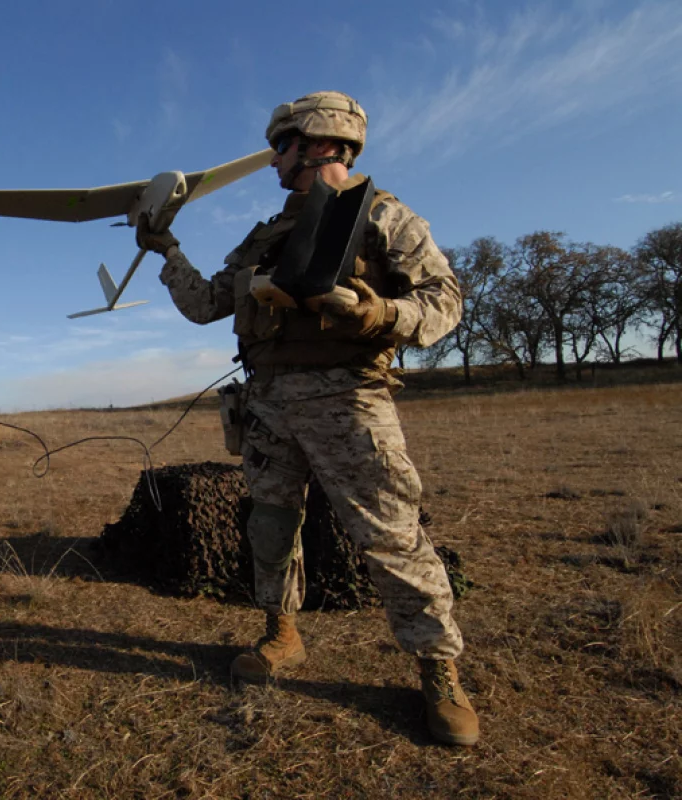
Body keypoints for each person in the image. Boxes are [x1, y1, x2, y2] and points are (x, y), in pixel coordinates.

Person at [136, 91, 479, 747]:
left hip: (349, 399)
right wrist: (165, 251)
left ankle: (439, 672)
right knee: (269, 523)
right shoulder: (266, 234)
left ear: (320, 143)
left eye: (281, 147)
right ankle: (281, 634)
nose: (273, 162)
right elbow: (208, 303)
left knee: (391, 535)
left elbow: (444, 303)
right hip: (267, 402)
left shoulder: (382, 216)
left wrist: (377, 314)